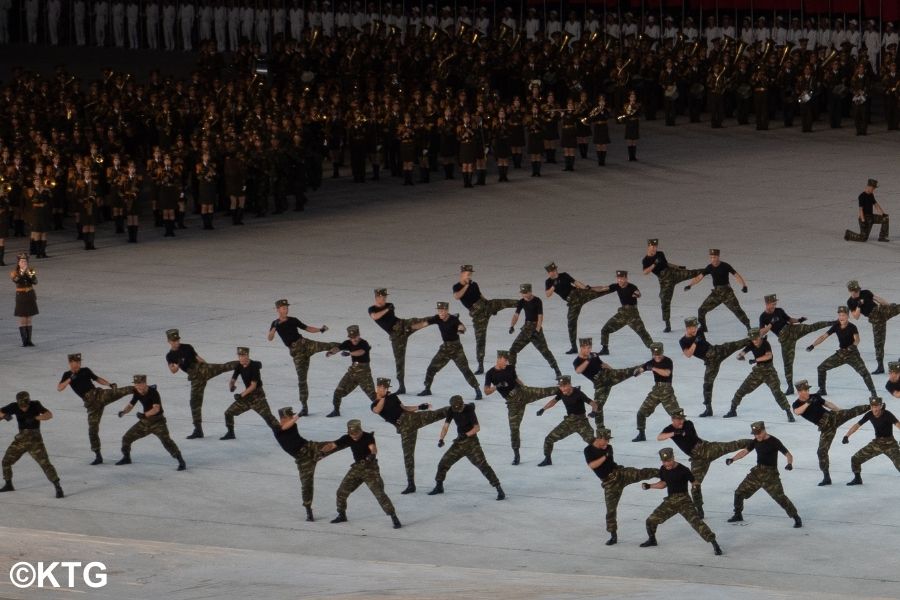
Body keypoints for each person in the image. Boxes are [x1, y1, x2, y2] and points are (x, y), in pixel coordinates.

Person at [657, 409, 749, 517]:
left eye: (682, 419)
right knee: (695, 485)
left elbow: (687, 434)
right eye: (679, 420)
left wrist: (680, 431)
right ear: (673, 419)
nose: (681, 421)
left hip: (707, 449)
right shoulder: (670, 429)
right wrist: (673, 433)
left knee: (732, 445)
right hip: (697, 460)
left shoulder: (688, 424)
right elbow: (659, 437)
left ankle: (754, 442)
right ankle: (699, 509)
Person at [371, 377, 448, 494]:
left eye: (385, 388)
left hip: (412, 418)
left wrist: (419, 407)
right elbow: (377, 410)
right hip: (404, 428)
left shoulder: (392, 397)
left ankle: (460, 407)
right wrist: (384, 397)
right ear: (377, 388)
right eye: (382, 388)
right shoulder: (375, 403)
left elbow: (405, 408)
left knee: (437, 414)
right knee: (408, 456)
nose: (384, 389)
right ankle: (411, 484)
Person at [639, 447, 722, 556]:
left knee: (697, 523)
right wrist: (650, 486)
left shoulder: (684, 470)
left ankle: (714, 543)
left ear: (673, 457)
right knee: (650, 520)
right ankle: (652, 540)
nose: (667, 464)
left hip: (684, 501)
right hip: (670, 501)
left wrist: (696, 487)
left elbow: (694, 482)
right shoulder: (663, 469)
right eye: (664, 461)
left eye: (669, 461)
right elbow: (663, 483)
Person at [320, 419, 401, 528]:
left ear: (360, 430)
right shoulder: (347, 438)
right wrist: (322, 451)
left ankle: (393, 516)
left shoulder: (368, 437)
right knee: (341, 492)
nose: (354, 436)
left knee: (379, 494)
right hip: (357, 468)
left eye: (356, 433)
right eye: (351, 434)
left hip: (370, 469)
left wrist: (372, 455)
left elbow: (373, 448)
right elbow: (332, 445)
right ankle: (341, 514)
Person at [57, 353, 135, 465]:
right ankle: (98, 456)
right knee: (92, 430)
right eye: (76, 362)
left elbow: (97, 379)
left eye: (79, 362)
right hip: (91, 404)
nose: (79, 364)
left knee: (120, 391)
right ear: (70, 363)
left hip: (98, 395)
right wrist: (70, 378)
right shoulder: (67, 374)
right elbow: (59, 388)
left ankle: (145, 389)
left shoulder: (85, 370)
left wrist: (109, 384)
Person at [584, 428, 657, 545]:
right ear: (598, 438)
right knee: (611, 510)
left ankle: (663, 473)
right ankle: (613, 535)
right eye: (605, 440)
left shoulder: (608, 447)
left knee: (641, 473)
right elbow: (593, 465)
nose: (607, 442)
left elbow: (608, 461)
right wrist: (605, 456)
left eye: (608, 440)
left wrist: (606, 453)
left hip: (619, 474)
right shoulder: (588, 450)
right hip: (609, 483)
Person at [484, 350, 558, 465]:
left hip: (522, 392)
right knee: (514, 429)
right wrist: (497, 386)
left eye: (507, 360)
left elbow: (516, 379)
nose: (506, 362)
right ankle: (516, 454)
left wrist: (525, 387)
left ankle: (569, 388)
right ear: (498, 359)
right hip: (512, 403)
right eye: (505, 360)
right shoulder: (490, 374)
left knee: (545, 391)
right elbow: (486, 391)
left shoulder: (510, 368)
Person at [725, 421, 802, 528]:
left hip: (771, 475)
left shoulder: (774, 441)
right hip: (757, 472)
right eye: (755, 434)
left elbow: (788, 454)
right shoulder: (755, 441)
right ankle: (738, 514)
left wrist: (789, 464)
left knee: (780, 497)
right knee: (739, 492)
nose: (757, 436)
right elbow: (744, 452)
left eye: (759, 433)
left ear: (764, 430)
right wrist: (732, 459)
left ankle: (796, 517)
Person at [792, 379, 868, 486]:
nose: (808, 392)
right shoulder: (796, 404)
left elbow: (828, 404)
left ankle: (873, 406)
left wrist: (840, 411)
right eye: (805, 390)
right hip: (826, 428)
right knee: (821, 451)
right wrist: (808, 403)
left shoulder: (815, 396)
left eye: (808, 389)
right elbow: (797, 412)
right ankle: (826, 477)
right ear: (799, 392)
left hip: (833, 418)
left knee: (852, 411)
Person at [165, 328, 239, 439]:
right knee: (194, 402)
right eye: (174, 341)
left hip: (202, 369)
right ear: (169, 342)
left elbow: (198, 358)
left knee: (224, 366)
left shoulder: (187, 347)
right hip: (195, 378)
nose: (176, 342)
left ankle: (248, 363)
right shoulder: (170, 356)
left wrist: (208, 367)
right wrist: (179, 364)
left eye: (177, 340)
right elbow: (173, 371)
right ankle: (198, 430)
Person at [267, 298, 335, 415]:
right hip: (297, 353)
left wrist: (320, 330)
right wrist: (273, 330)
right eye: (283, 308)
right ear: (278, 310)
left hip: (305, 344)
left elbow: (307, 328)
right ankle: (304, 407)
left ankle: (348, 346)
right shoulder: (275, 323)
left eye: (287, 307)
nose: (286, 309)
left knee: (327, 345)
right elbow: (270, 338)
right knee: (302, 380)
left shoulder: (293, 320)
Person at [428, 395, 505, 500]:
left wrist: (466, 435)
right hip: (459, 443)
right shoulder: (451, 410)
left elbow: (477, 428)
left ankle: (498, 488)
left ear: (462, 404)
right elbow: (446, 426)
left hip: (472, 443)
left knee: (483, 466)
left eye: (459, 408)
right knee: (443, 463)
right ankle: (439, 486)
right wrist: (441, 439)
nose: (458, 411)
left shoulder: (469, 409)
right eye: (456, 409)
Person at [758, 294, 831, 394]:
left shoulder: (779, 310)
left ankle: (832, 323)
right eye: (773, 304)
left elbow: (789, 319)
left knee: (811, 327)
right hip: (785, 339)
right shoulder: (763, 316)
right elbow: (762, 332)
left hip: (792, 329)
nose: (774, 305)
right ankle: (790, 387)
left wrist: (798, 320)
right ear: (767, 304)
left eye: (775, 303)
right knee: (787, 363)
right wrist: (771, 323)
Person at [452, 264, 518, 374]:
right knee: (480, 340)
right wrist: (466, 286)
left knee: (504, 302)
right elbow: (457, 296)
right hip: (478, 315)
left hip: (486, 306)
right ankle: (480, 365)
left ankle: (523, 303)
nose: (469, 276)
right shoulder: (457, 287)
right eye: (468, 274)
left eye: (470, 274)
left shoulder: (474, 284)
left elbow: (481, 296)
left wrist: (492, 307)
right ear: (462, 274)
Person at [0, 391, 64, 499]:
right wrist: (4, 416)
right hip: (21, 440)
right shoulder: (14, 406)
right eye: (22, 406)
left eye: (25, 406)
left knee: (45, 464)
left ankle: (58, 487)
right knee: (6, 461)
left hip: (35, 441)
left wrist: (36, 418)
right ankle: (8, 484)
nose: (24, 408)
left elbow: (49, 415)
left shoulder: (35, 405)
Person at [115, 375, 186, 471]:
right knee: (126, 438)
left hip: (158, 422)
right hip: (145, 422)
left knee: (167, 441)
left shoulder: (153, 392)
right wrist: (123, 412)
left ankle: (181, 461)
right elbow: (131, 404)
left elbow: (156, 409)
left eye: (139, 384)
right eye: (135, 384)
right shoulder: (136, 391)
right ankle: (126, 458)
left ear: (144, 383)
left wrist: (144, 415)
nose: (137, 386)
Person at [680, 316, 747, 417]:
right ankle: (708, 409)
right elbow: (688, 354)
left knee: (737, 344)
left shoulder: (699, 331)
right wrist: (694, 343)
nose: (695, 329)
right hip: (710, 362)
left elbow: (702, 326)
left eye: (696, 326)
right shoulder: (683, 341)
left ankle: (758, 337)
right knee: (707, 385)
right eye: (693, 327)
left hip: (718, 351)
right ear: (688, 328)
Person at [724, 328, 794, 421]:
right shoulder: (751, 344)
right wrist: (740, 356)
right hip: (757, 373)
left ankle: (788, 412)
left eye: (756, 339)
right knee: (741, 391)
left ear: (760, 337)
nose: (755, 341)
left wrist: (755, 360)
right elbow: (740, 354)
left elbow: (769, 355)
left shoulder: (765, 343)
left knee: (777, 393)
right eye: (753, 339)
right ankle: (733, 410)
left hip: (769, 372)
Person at [414, 301, 481, 399]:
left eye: (442, 311)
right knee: (431, 368)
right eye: (439, 310)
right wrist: (410, 328)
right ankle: (427, 389)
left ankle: (477, 390)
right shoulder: (437, 318)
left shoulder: (453, 319)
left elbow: (462, 327)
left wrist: (460, 330)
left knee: (465, 370)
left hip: (456, 349)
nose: (440, 313)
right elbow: (424, 324)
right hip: (445, 348)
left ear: (447, 311)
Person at [807, 306, 877, 397]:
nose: (841, 317)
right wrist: (813, 345)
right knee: (821, 368)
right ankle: (822, 389)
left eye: (843, 315)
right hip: (841, 354)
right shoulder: (836, 326)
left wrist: (852, 347)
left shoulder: (852, 327)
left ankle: (873, 393)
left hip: (852, 354)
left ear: (847, 316)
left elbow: (857, 339)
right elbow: (824, 336)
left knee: (864, 373)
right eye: (840, 315)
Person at [272, 406, 327, 521]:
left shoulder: (293, 425)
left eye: (292, 415)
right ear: (283, 418)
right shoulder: (277, 428)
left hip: (310, 448)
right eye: (290, 415)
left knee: (334, 444)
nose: (292, 416)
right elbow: (284, 427)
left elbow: (290, 425)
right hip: (303, 460)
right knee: (306, 485)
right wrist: (298, 416)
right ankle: (308, 510)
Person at [368, 288, 426, 395]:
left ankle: (444, 318)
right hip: (396, 336)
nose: (385, 299)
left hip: (403, 325)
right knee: (399, 361)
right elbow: (375, 316)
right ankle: (401, 387)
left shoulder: (390, 304)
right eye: (382, 297)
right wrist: (386, 309)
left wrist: (388, 308)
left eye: (385, 297)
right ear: (377, 297)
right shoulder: (372, 309)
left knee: (422, 320)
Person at [573, 337, 639, 430]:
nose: (588, 350)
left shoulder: (594, 355)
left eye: (589, 347)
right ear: (581, 348)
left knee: (630, 371)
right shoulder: (577, 361)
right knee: (598, 406)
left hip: (608, 375)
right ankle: (601, 430)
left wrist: (614, 371)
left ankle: (646, 366)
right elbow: (578, 371)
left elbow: (603, 364)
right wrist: (588, 360)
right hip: (599, 383)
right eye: (586, 348)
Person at [642, 239, 704, 332]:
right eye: (652, 247)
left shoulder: (660, 254)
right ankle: (667, 325)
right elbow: (645, 272)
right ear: (648, 247)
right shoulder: (646, 260)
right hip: (665, 280)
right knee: (665, 300)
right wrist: (654, 264)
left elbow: (666, 264)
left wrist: (678, 267)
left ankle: (711, 269)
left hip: (673, 273)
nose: (654, 248)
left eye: (655, 247)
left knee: (693, 272)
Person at [544, 261, 606, 354]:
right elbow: (548, 294)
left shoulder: (564, 275)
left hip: (578, 294)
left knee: (598, 291)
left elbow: (575, 282)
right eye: (552, 271)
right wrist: (554, 286)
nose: (554, 272)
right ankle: (574, 347)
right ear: (549, 273)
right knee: (571, 322)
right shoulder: (548, 282)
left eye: (555, 270)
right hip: (572, 302)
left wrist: (586, 288)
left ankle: (616, 287)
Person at [535, 375, 597, 466]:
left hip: (581, 421)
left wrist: (593, 412)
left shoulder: (578, 393)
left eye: (564, 386)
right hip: (569, 421)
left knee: (593, 442)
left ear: (570, 384)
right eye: (560, 386)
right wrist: (543, 409)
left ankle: (604, 458)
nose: (562, 388)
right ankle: (547, 459)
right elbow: (554, 401)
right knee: (549, 439)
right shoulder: (561, 392)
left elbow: (593, 403)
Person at [684, 249, 751, 333]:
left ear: (718, 257)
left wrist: (744, 285)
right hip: (716, 293)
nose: (713, 259)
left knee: (737, 310)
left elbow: (736, 275)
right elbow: (699, 277)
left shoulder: (725, 266)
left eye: (714, 257)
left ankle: (748, 326)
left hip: (727, 292)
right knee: (701, 310)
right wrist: (690, 285)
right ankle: (703, 327)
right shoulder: (709, 267)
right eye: (711, 257)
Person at [221, 347, 278, 439]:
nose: (240, 358)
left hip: (257, 396)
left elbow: (253, 386)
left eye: (242, 355)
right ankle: (230, 433)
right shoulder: (239, 365)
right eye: (239, 355)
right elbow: (233, 378)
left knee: (269, 418)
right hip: (247, 396)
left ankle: (282, 434)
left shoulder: (254, 366)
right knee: (228, 413)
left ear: (247, 355)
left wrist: (241, 395)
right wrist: (232, 385)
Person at [842, 396, 900, 485]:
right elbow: (857, 425)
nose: (874, 409)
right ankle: (858, 479)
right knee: (855, 459)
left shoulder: (887, 414)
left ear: (881, 406)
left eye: (876, 406)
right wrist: (847, 435)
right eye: (872, 406)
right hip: (876, 443)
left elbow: (898, 424)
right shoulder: (869, 414)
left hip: (890, 444)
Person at [846, 280, 900, 374]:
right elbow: (856, 316)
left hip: (881, 310)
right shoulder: (850, 302)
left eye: (857, 290)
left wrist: (889, 306)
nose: (856, 292)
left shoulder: (865, 293)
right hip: (875, 319)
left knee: (896, 307)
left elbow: (878, 299)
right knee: (878, 342)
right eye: (854, 291)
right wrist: (859, 305)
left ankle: (880, 366)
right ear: (850, 291)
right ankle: (880, 367)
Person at [508, 283, 562, 377]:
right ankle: (512, 372)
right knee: (512, 350)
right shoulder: (521, 301)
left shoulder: (537, 301)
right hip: (526, 329)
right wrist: (512, 326)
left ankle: (557, 370)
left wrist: (537, 330)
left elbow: (540, 316)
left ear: (530, 291)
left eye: (525, 293)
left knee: (545, 351)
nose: (524, 295)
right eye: (522, 293)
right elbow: (516, 314)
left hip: (535, 328)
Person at [596, 270, 654, 354]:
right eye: (618, 278)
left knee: (642, 332)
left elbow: (638, 293)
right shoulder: (616, 286)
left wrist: (636, 294)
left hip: (632, 314)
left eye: (622, 278)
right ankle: (605, 349)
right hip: (622, 314)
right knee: (605, 329)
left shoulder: (632, 287)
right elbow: (603, 288)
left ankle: (654, 351)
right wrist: (589, 288)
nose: (620, 280)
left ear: (626, 278)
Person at [632, 343, 681, 442]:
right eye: (655, 355)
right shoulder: (651, 362)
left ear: (662, 353)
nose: (657, 357)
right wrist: (638, 371)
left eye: (659, 355)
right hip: (656, 390)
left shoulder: (667, 361)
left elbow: (667, 373)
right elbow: (642, 368)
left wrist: (653, 368)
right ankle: (641, 434)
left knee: (677, 415)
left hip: (666, 390)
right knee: (641, 413)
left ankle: (682, 433)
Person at [325, 325, 376, 418]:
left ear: (359, 335)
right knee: (338, 391)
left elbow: (361, 352)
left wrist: (350, 353)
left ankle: (386, 412)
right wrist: (331, 352)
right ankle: (336, 410)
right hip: (352, 372)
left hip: (364, 373)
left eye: (355, 337)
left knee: (373, 396)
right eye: (352, 338)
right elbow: (338, 348)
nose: (354, 339)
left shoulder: (364, 343)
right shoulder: (348, 343)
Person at [844, 178, 889, 242]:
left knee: (885, 219)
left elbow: (876, 205)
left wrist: (883, 213)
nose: (873, 190)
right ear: (869, 186)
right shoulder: (862, 196)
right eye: (873, 188)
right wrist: (862, 221)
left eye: (874, 189)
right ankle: (848, 234)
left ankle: (882, 237)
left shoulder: (871, 195)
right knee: (863, 238)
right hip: (865, 218)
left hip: (871, 217)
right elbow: (860, 209)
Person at [10, 252, 37, 347]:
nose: (24, 263)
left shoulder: (30, 270)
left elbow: (35, 281)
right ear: (18, 263)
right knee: (22, 319)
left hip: (30, 296)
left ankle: (29, 340)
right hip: (21, 297)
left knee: (29, 319)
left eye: (25, 261)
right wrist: (22, 272)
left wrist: (29, 274)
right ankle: (24, 341)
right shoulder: (14, 272)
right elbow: (17, 280)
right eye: (21, 261)